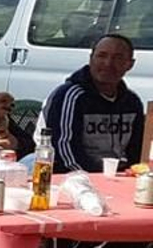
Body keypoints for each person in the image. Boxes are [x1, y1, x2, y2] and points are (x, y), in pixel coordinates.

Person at [43, 33, 143, 172]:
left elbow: (137, 150)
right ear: (91, 59)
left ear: (130, 64)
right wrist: (95, 179)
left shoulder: (132, 102)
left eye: (118, 58)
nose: (108, 63)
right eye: (102, 56)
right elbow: (63, 150)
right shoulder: (69, 96)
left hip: (119, 177)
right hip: (76, 178)